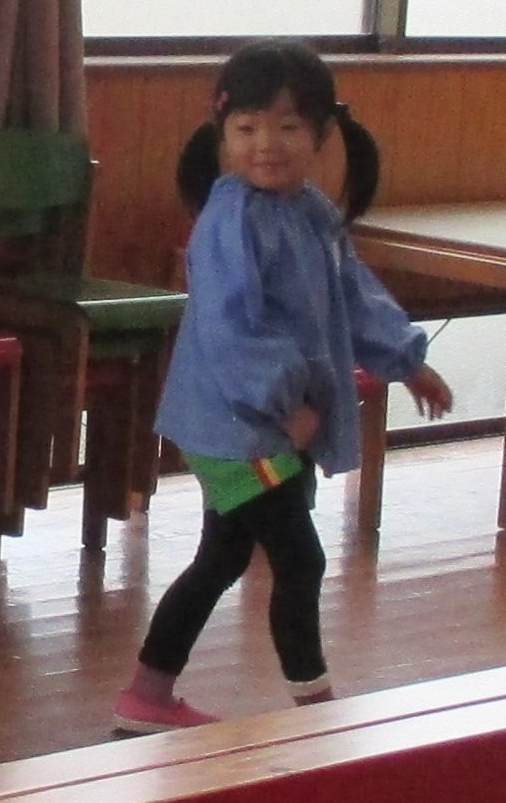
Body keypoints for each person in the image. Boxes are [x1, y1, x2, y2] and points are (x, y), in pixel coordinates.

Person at [109, 42, 453, 735]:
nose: (267, 144)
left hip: (266, 424)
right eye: (248, 128)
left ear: (322, 135)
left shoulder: (313, 212)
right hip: (239, 429)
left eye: (288, 127)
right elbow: (233, 329)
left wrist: (406, 359)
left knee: (223, 556)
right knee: (300, 558)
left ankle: (147, 695)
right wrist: (285, 405)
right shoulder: (230, 218)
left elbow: (354, 294)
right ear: (223, 132)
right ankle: (315, 713)